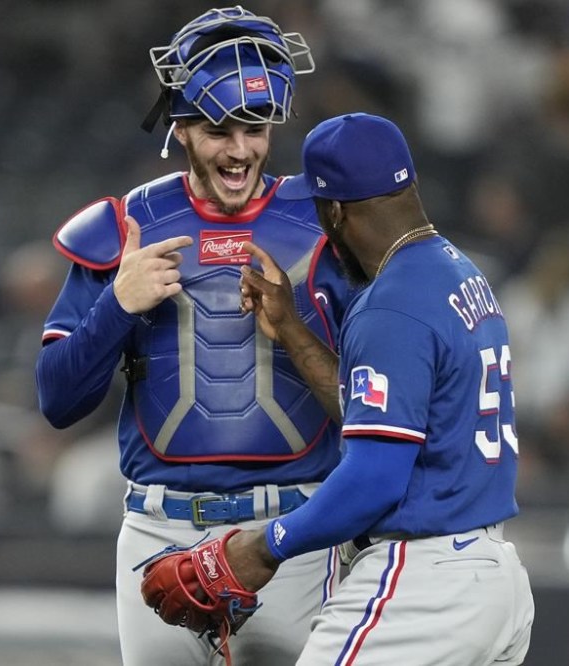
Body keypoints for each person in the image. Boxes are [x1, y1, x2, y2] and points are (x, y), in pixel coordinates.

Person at [34, 7, 353, 666]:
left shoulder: (331, 224)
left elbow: (378, 402)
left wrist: (293, 329)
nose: (240, 149)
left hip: (292, 530)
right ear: (180, 127)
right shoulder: (124, 228)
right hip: (157, 528)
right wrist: (118, 305)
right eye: (218, 129)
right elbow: (56, 400)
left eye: (255, 127)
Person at [225, 112, 535, 665]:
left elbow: (374, 478)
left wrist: (266, 546)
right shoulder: (458, 273)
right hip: (493, 577)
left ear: (336, 210)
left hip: (423, 586)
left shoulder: (390, 303)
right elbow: (383, 422)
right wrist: (295, 332)